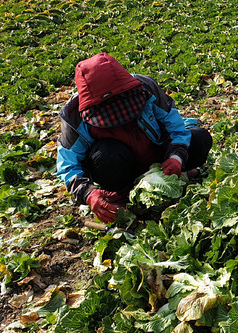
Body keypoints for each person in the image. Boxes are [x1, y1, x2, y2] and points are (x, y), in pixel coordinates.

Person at [56, 52, 212, 223]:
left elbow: (176, 126)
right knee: (105, 154)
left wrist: (176, 157)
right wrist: (88, 193)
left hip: (158, 157)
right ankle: (123, 193)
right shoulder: (74, 117)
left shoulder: (145, 88)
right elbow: (68, 166)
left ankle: (180, 172)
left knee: (200, 139)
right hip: (118, 165)